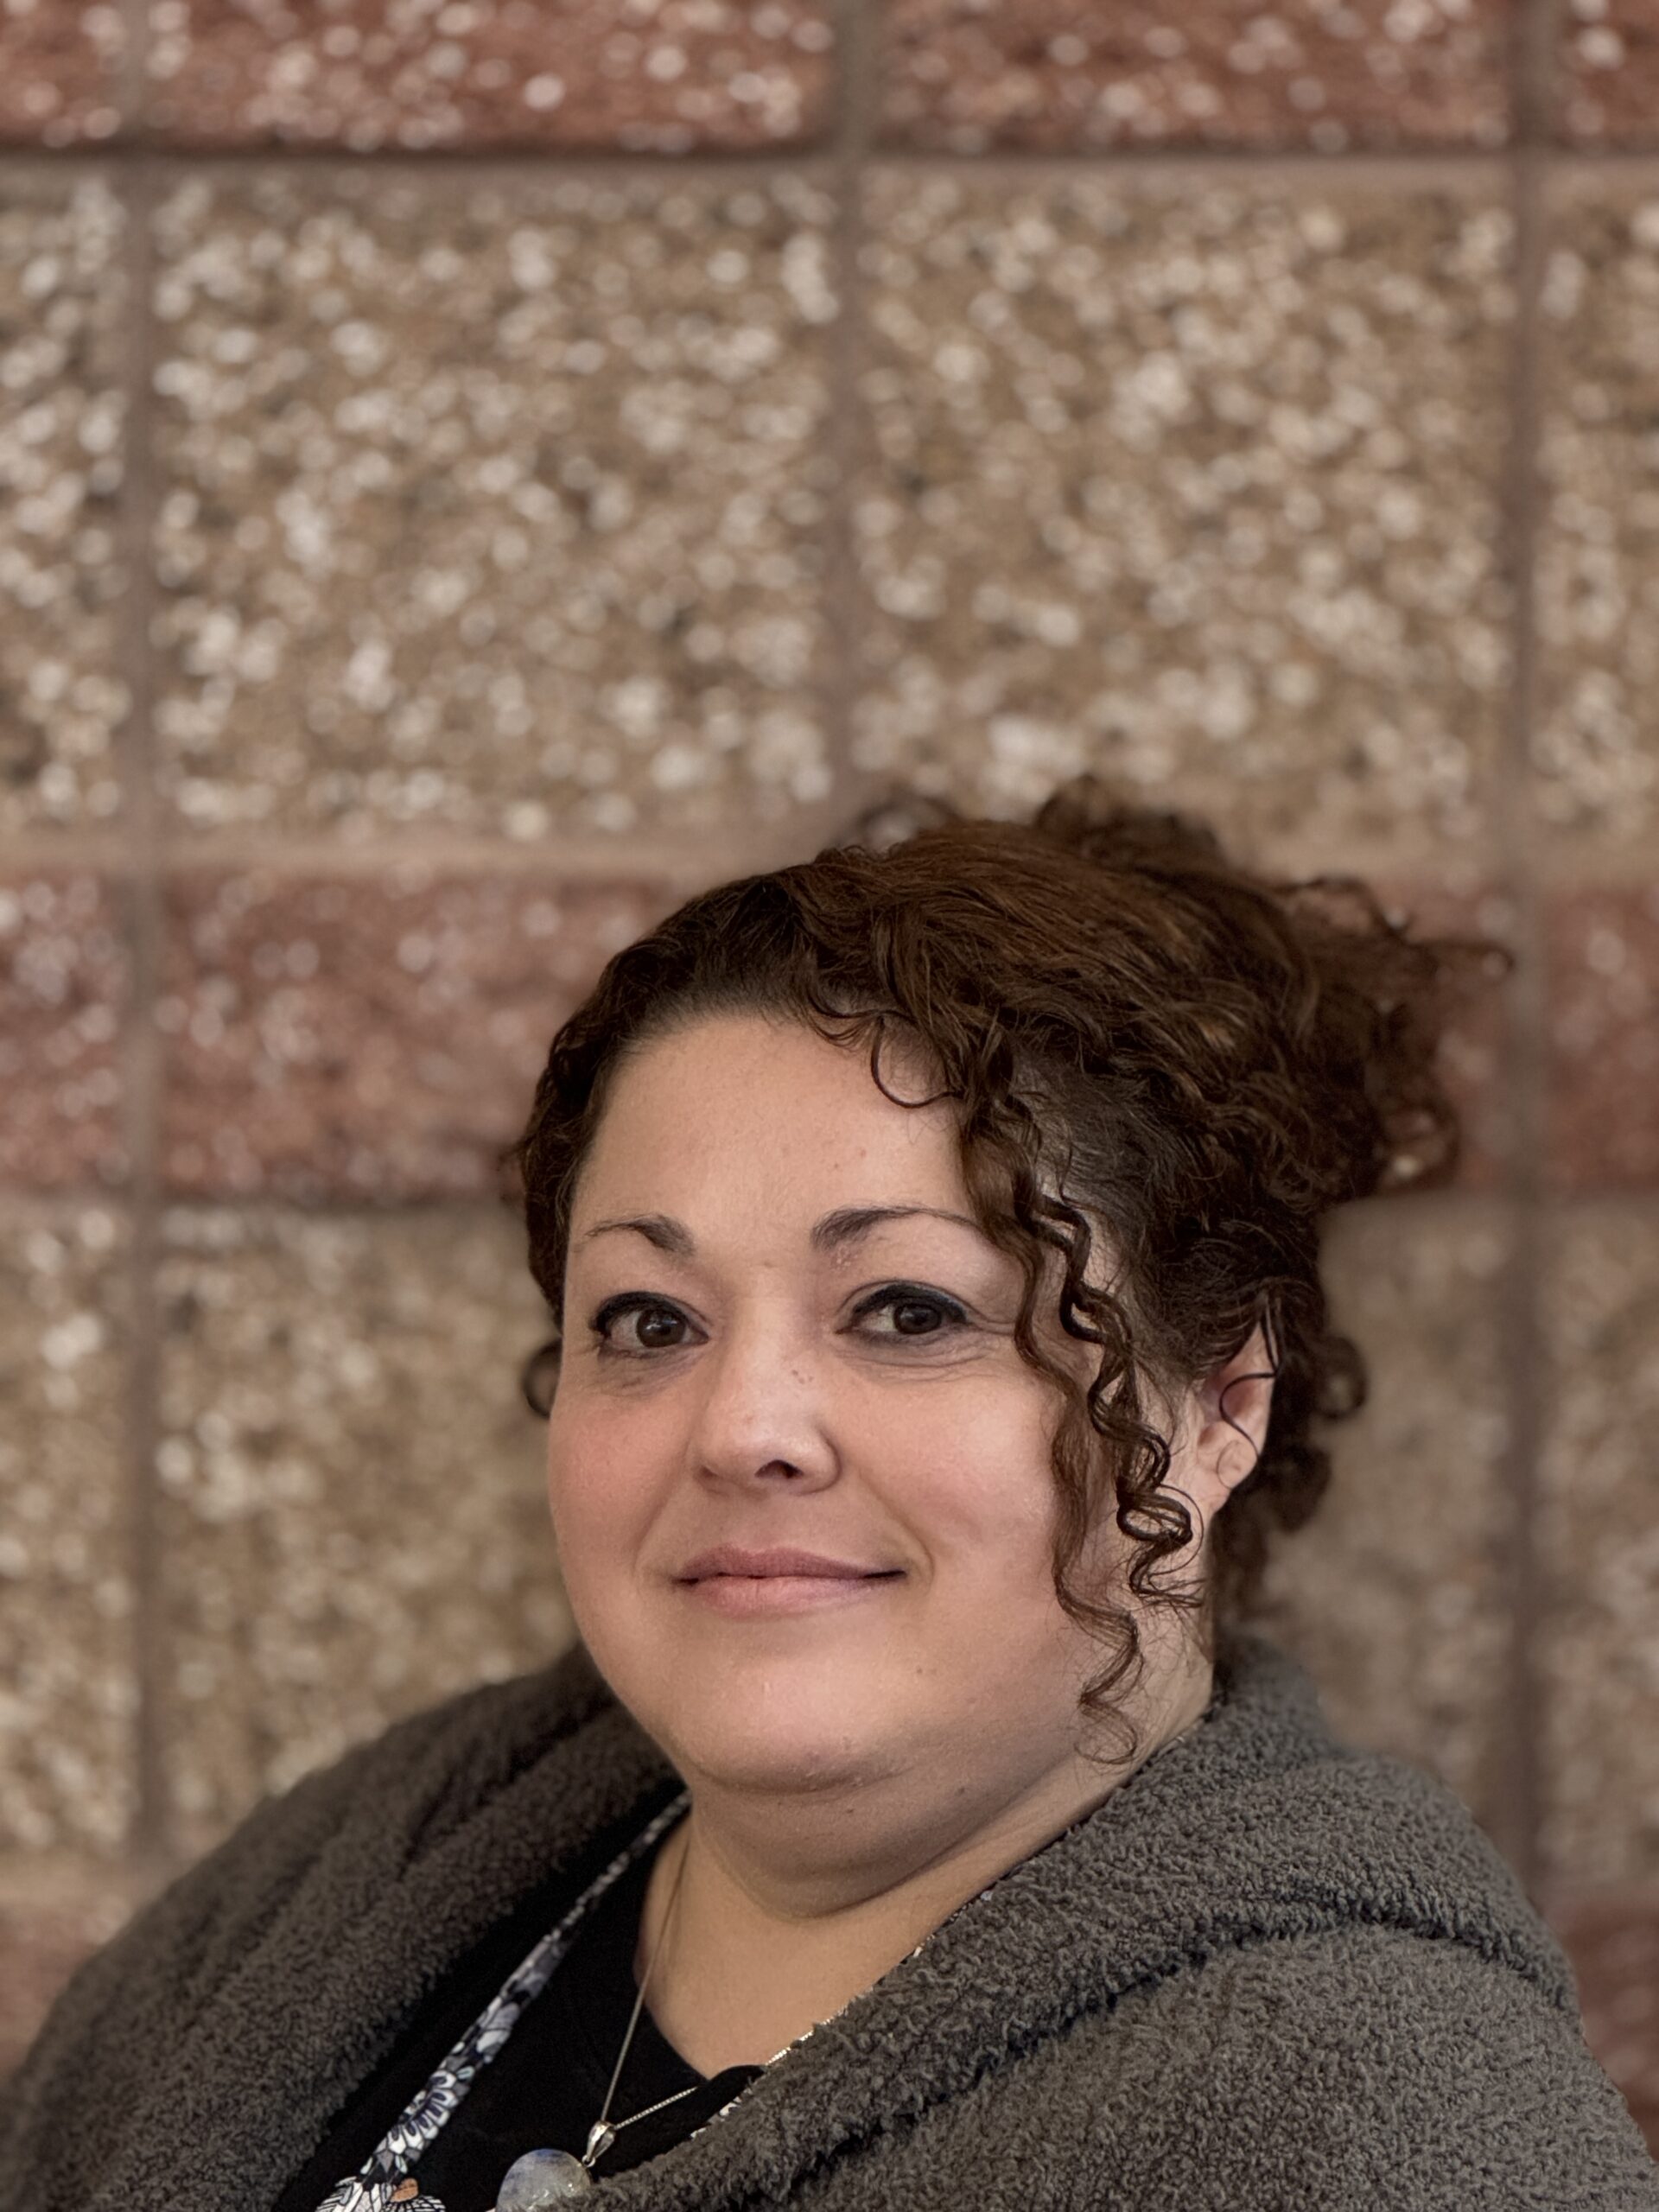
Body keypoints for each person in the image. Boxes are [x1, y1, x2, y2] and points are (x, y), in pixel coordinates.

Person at [3, 775, 1656, 2212]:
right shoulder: (361, 1879)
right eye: (650, 1321)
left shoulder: (1388, 2128)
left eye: (910, 1313)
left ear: (1217, 1406)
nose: (745, 1427)